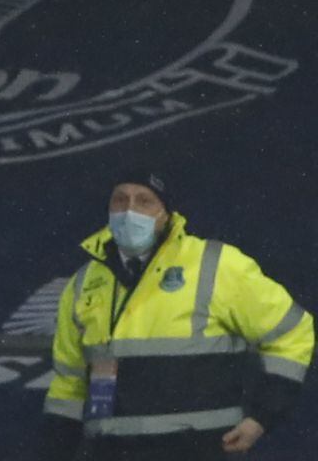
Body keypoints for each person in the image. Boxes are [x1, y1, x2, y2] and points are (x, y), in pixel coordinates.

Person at [39, 170, 314, 461]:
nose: (129, 210)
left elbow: (293, 332)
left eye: (144, 201)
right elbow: (68, 384)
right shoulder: (83, 283)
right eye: (120, 200)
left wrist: (262, 417)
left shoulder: (215, 265)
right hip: (113, 452)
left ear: (166, 214)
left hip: (201, 451)